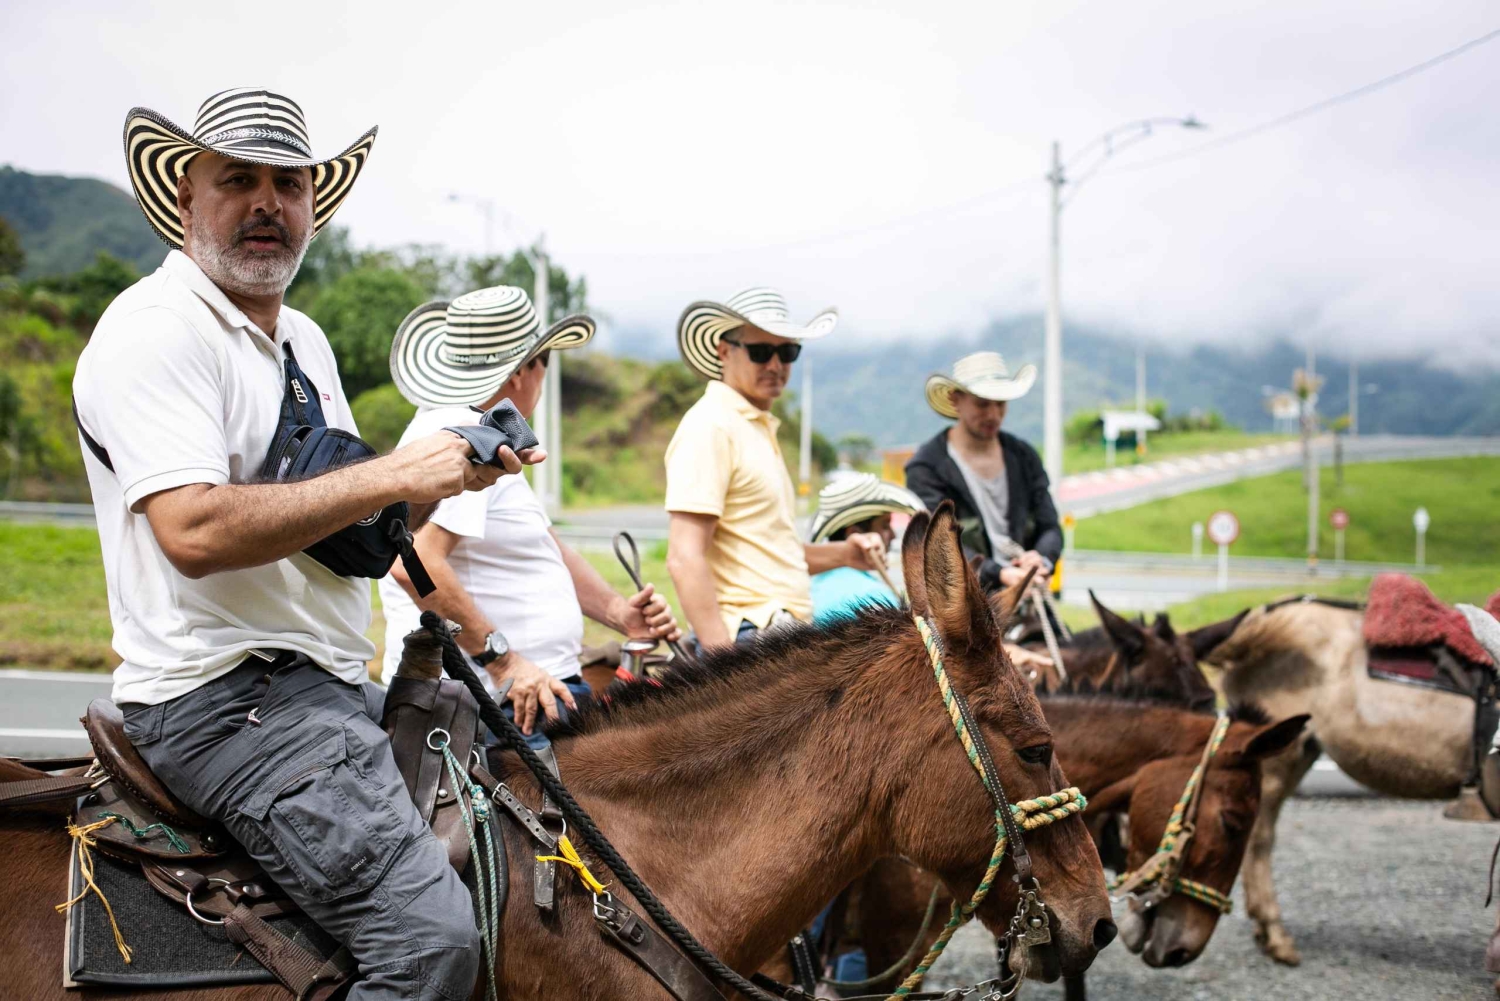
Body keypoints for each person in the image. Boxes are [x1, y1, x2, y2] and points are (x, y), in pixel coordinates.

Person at [72, 89, 535, 1000]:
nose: (265, 204)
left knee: (530, 799)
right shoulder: (155, 331)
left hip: (316, 686)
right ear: (184, 198)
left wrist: (446, 476)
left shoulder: (303, 340)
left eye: (288, 183)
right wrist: (396, 470)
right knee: (432, 944)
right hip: (224, 702)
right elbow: (193, 530)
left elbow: (330, 516)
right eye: (235, 179)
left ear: (313, 205)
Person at [382, 285, 681, 745]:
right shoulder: (465, 435)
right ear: (523, 370)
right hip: (505, 706)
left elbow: (547, 546)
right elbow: (414, 563)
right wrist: (504, 661)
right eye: (545, 361)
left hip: (526, 697)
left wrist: (621, 614)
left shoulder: (481, 430)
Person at [664, 287, 885, 650]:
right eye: (761, 352)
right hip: (751, 635)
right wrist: (724, 668)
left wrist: (846, 554)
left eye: (787, 352)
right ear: (724, 351)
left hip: (783, 628)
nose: (775, 365)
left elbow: (774, 550)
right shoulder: (711, 425)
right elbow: (684, 556)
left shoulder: (755, 426)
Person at [905, 351, 1061, 592]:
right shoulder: (927, 467)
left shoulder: (1023, 456)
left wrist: (1041, 559)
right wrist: (1000, 574)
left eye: (1000, 404)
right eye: (982, 403)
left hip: (1026, 594)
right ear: (955, 399)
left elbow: (1049, 525)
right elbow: (937, 546)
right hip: (962, 606)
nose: (993, 415)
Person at [806, 474, 925, 624]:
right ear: (855, 534)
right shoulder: (875, 598)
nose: (893, 535)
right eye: (885, 525)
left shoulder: (814, 583)